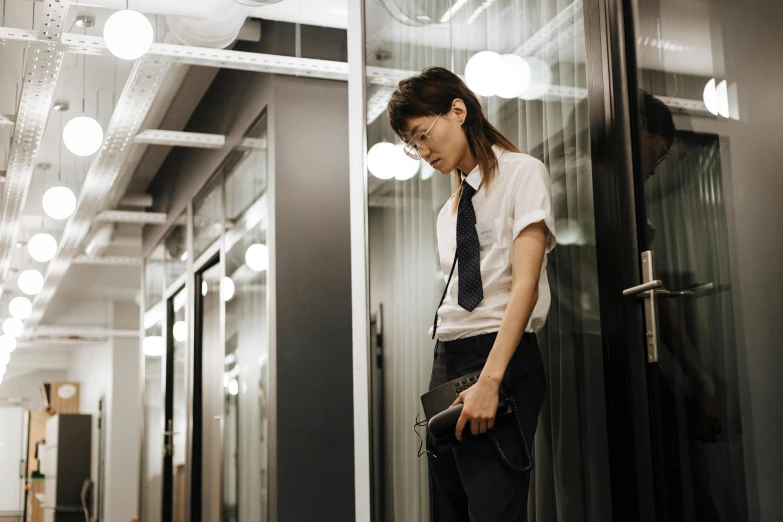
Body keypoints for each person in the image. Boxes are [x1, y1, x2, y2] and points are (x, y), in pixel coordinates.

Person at [386, 66, 555, 522]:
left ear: (457, 111)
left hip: (499, 354)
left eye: (423, 134)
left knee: (493, 510)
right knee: (451, 510)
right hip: (448, 361)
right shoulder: (450, 209)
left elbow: (524, 283)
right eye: (412, 144)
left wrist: (492, 380)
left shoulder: (523, 174)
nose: (422, 151)